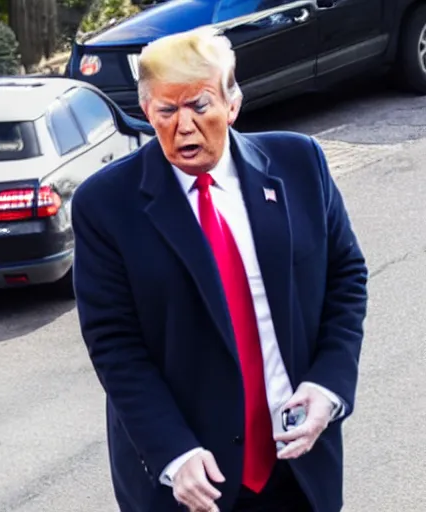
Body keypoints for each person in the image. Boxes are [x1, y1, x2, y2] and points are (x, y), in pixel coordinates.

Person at [71, 26, 368, 512]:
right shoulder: (105, 206)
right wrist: (172, 451)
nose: (183, 125)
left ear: (232, 104)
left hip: (298, 464)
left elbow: (347, 279)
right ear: (147, 112)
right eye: (167, 110)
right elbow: (114, 344)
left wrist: (329, 383)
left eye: (199, 105)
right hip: (189, 480)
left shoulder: (300, 165)